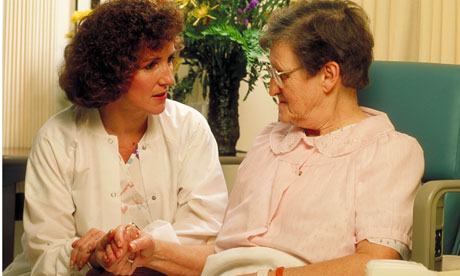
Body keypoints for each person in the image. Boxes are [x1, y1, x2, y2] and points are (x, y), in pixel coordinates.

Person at [199, 0, 425, 275]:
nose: (272, 89)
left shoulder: (388, 153)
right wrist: (154, 253)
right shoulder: (268, 140)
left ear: (328, 75)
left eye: (280, 75)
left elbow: (372, 264)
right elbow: (222, 256)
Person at [3, 0, 228, 275]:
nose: (169, 78)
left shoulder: (190, 128)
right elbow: (46, 255)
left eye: (169, 60)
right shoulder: (56, 138)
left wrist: (136, 249)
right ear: (111, 70)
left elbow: (205, 240)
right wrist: (95, 255)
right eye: (150, 65)